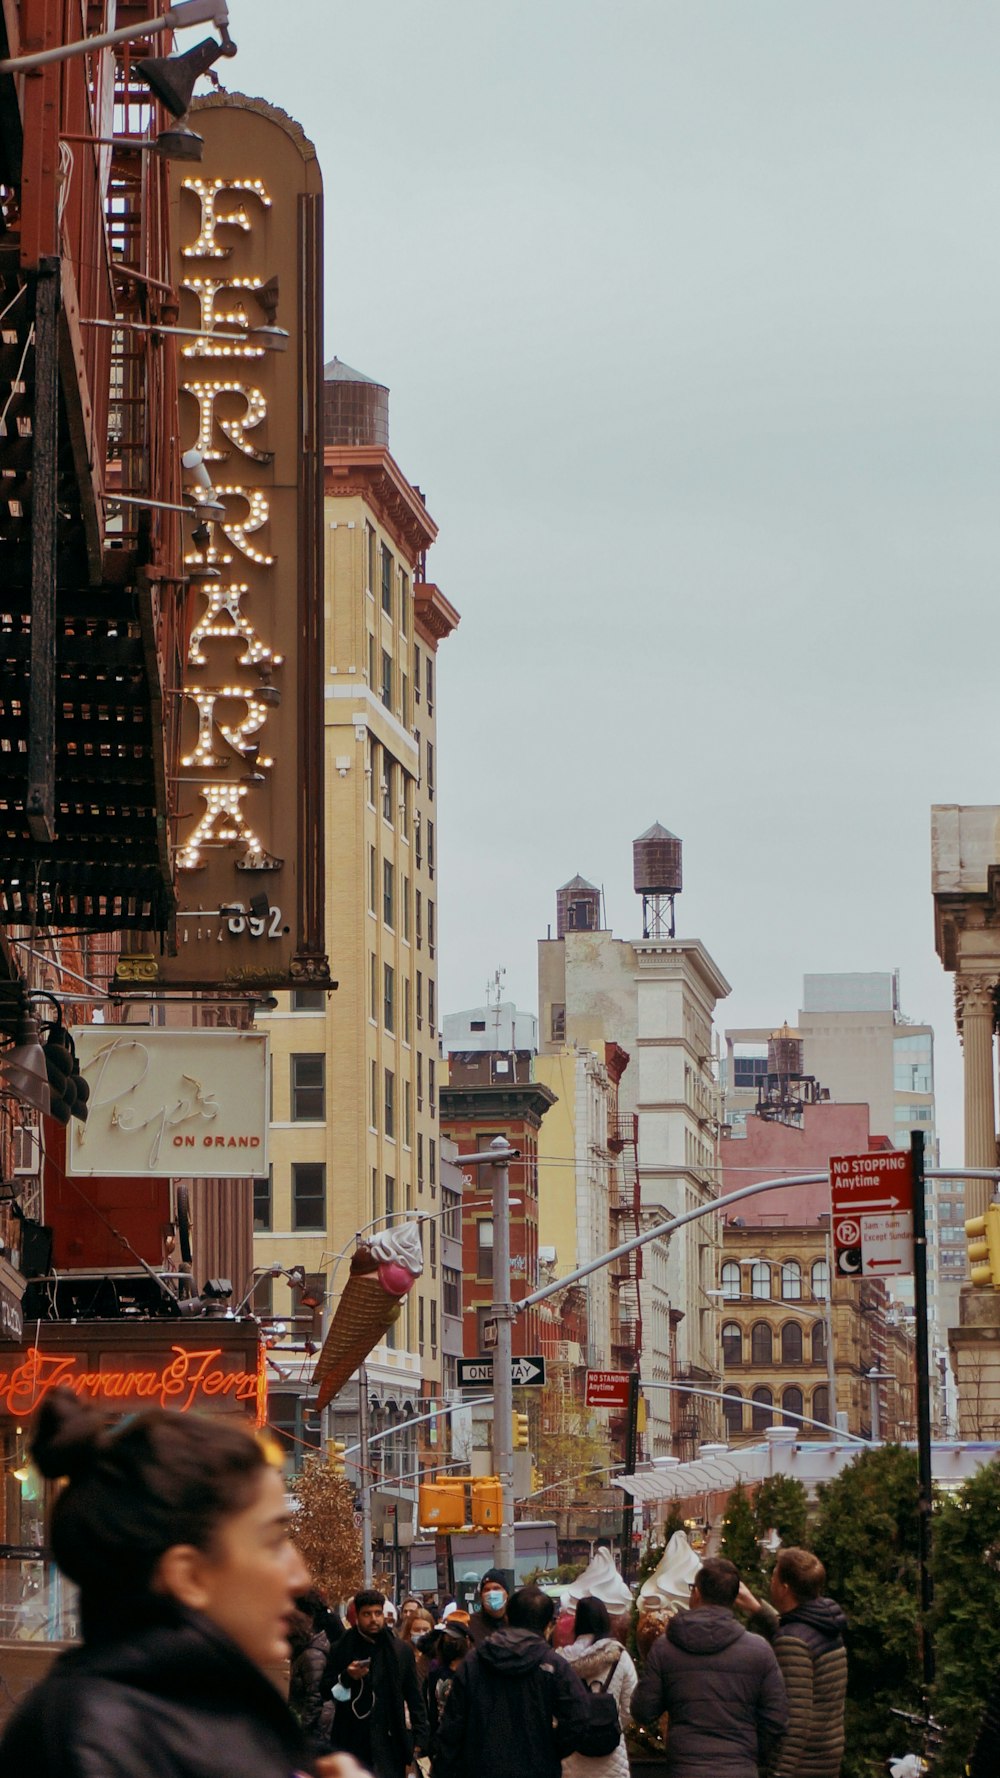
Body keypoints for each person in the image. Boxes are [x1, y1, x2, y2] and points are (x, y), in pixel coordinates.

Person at [0, 1388, 354, 1778]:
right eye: (272, 1541)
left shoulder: (216, 1714)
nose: (299, 1576)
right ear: (189, 1576)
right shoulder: (87, 1743)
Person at [631, 1557, 788, 1778]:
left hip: (686, 1768)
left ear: (696, 1593)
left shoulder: (665, 1649)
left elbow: (643, 1710)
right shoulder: (759, 1651)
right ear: (734, 1599)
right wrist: (749, 1753)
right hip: (740, 1767)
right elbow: (776, 1719)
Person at [434, 1584, 592, 1778]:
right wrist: (549, 1749)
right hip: (537, 1769)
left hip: (479, 1768)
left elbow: (452, 1726)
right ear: (548, 1626)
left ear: (508, 1617)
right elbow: (579, 1716)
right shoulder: (553, 1665)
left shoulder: (473, 1662)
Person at [735, 1548, 847, 1778]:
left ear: (784, 1587)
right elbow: (795, 1632)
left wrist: (781, 1773)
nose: (771, 1581)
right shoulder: (825, 1624)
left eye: (774, 1575)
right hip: (827, 1756)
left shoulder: (793, 1642)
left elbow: (795, 1721)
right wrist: (756, 1609)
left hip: (803, 1765)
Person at [330, 1587, 429, 1778]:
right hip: (352, 1738)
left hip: (390, 1741)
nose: (373, 1619)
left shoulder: (400, 1651)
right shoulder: (341, 1648)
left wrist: (420, 1736)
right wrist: (347, 1677)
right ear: (357, 1616)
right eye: (367, 1614)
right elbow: (327, 1690)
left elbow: (413, 1696)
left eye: (377, 1613)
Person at [560, 1596, 637, 1778]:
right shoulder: (620, 1657)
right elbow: (630, 1706)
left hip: (574, 1755)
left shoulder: (562, 1661)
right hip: (612, 1754)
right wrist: (611, 1724)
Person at [467, 1566, 509, 1646]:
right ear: (481, 1596)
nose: (491, 1593)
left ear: (506, 1593)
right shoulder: (471, 1624)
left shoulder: (517, 1622)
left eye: (496, 1588)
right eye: (486, 1590)